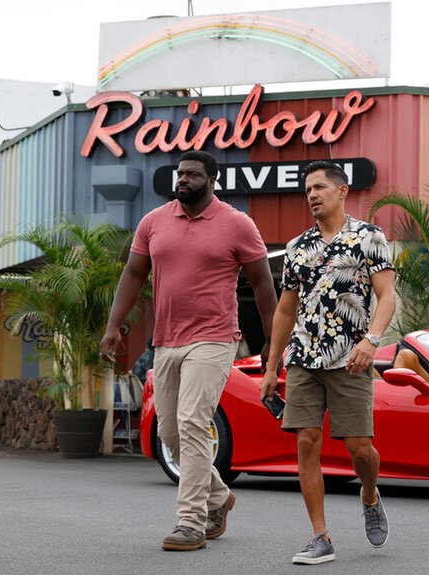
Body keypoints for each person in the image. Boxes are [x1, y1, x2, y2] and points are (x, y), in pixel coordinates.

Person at [100, 150, 278, 552]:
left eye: (193, 174)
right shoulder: (154, 222)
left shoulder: (237, 224)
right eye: (180, 173)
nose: (183, 180)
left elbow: (264, 284)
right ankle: (219, 496)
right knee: (169, 431)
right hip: (166, 340)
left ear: (211, 180)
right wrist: (114, 326)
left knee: (194, 422)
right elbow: (132, 274)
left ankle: (191, 521)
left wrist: (272, 340)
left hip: (214, 339)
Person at [259, 160, 396, 565]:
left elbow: (386, 295)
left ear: (342, 191)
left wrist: (372, 340)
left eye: (319, 187)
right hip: (303, 357)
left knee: (360, 448)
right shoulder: (298, 246)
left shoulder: (369, 237)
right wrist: (271, 367)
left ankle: (369, 493)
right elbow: (285, 311)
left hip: (350, 359)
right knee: (306, 441)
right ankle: (321, 536)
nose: (312, 195)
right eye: (307, 190)